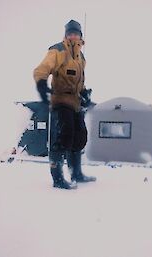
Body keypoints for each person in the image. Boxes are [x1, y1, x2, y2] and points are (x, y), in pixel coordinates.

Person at [33, 19, 96, 190]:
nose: (73, 36)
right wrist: (41, 83)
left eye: (76, 33)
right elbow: (42, 68)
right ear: (66, 35)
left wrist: (84, 93)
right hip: (61, 100)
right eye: (70, 33)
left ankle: (76, 173)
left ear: (81, 36)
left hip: (76, 102)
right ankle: (57, 177)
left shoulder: (81, 57)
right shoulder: (58, 50)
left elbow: (79, 82)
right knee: (65, 135)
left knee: (80, 137)